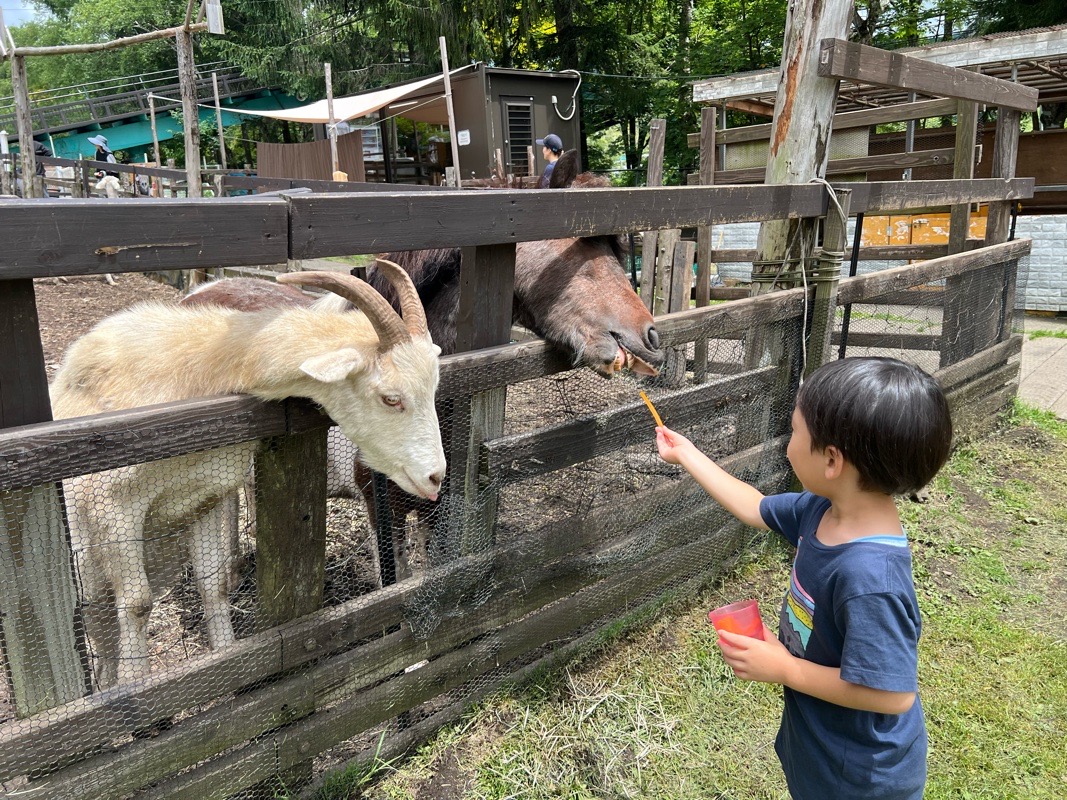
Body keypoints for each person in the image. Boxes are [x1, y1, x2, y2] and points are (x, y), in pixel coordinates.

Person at [655, 357, 953, 800]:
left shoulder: (870, 577)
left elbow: (892, 696)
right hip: (820, 748)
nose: (788, 443)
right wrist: (687, 454)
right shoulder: (822, 510)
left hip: (860, 778)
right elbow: (754, 506)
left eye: (794, 432)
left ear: (832, 460)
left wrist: (788, 669)